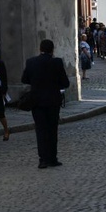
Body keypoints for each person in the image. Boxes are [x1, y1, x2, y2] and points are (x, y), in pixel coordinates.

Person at [21, 39, 70, 169]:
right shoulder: (57, 62)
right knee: (52, 130)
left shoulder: (31, 62)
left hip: (37, 101)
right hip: (53, 101)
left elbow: (24, 79)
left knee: (41, 130)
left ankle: (43, 159)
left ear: (40, 49)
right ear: (52, 50)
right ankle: (52, 158)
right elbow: (65, 83)